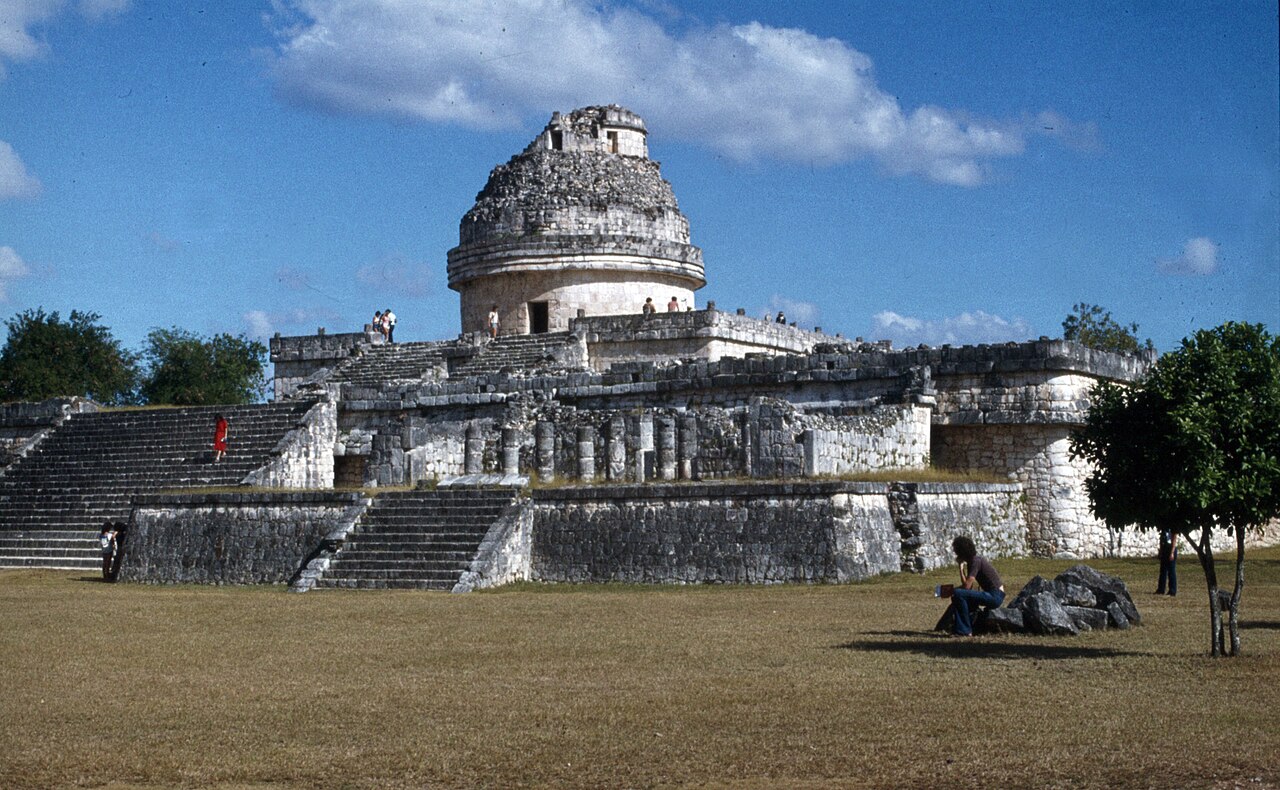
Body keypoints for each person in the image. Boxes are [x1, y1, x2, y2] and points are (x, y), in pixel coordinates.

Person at [948, 535, 1005, 636]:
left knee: (957, 593)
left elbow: (966, 587)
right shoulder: (972, 562)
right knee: (960, 595)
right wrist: (961, 569)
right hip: (994, 594)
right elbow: (968, 587)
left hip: (995, 595)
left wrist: (951, 590)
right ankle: (968, 626)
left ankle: (964, 630)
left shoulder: (976, 561)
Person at [1156, 527, 1177, 596]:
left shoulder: (1173, 528)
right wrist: (1160, 551)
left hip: (1170, 548)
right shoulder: (1163, 529)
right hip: (1165, 547)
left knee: (1171, 571)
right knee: (1163, 570)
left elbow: (1174, 540)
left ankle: (1172, 590)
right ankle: (1161, 589)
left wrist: (1172, 552)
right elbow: (1161, 540)